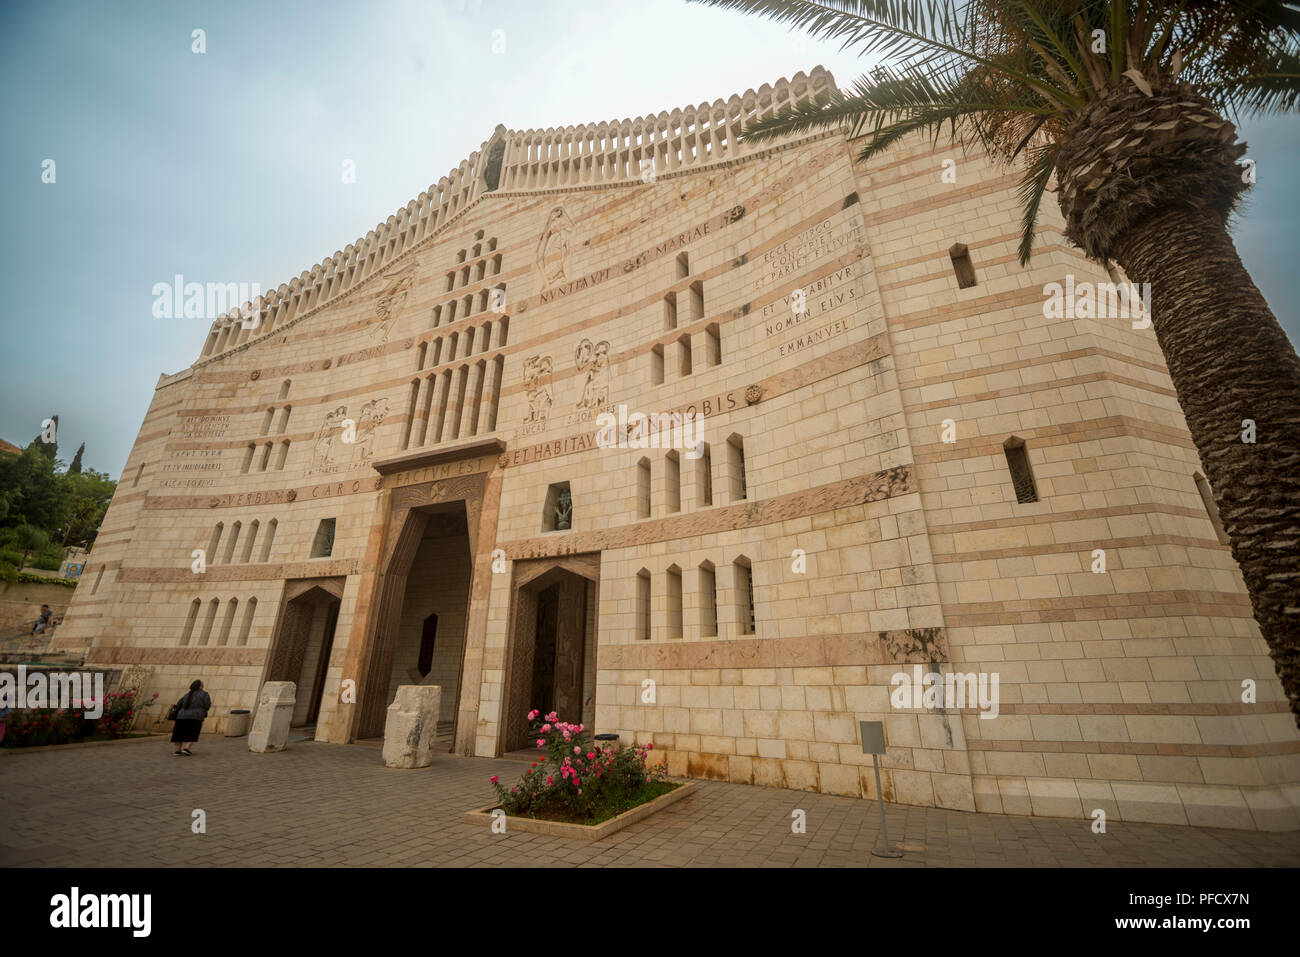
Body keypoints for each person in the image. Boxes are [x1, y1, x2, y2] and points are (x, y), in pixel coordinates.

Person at [170, 680, 212, 756]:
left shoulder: (187, 694)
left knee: (179, 733)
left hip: (181, 716)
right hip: (196, 716)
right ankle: (187, 748)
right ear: (200, 686)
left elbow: (179, 704)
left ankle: (177, 750)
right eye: (202, 684)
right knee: (193, 732)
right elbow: (207, 705)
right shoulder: (204, 694)